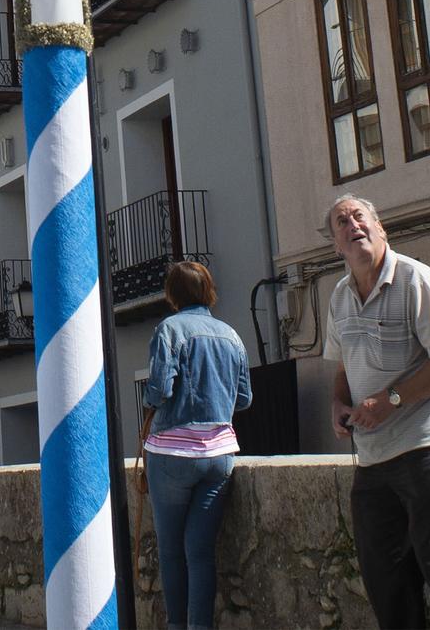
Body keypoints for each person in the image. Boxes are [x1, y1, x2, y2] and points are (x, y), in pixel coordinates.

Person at [322, 194, 430, 630]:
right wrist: (338, 404)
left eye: (360, 216)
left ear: (381, 228)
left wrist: (391, 400)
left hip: (428, 450)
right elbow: (343, 366)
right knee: (388, 589)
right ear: (336, 245)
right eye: (342, 222)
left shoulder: (415, 279)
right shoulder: (339, 298)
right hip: (374, 461)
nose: (352, 225)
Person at [139, 260, 251, 630]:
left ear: (172, 293)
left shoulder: (169, 329)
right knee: (200, 553)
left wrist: (151, 401)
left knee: (172, 552)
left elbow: (160, 389)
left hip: (171, 453)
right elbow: (244, 399)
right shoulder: (231, 335)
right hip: (219, 454)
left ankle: (177, 626)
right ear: (208, 290)